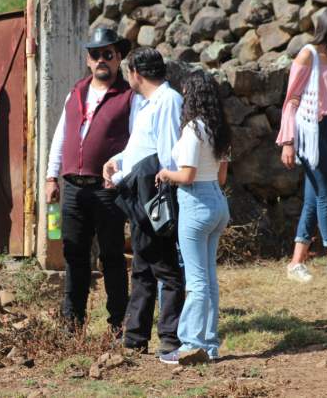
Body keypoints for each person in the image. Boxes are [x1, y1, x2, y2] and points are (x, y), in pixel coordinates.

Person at [46, 27, 137, 335]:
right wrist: (50, 176)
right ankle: (72, 323)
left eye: (108, 54)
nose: (102, 60)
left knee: (111, 256)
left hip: (106, 189)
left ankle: (118, 324)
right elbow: (61, 135)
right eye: (96, 54)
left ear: (119, 58)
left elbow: (137, 142)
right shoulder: (76, 91)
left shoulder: (128, 97)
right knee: (74, 255)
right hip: (72, 186)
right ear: (88, 60)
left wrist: (120, 175)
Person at [102, 47, 185, 355]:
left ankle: (170, 336)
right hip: (140, 191)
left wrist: (163, 193)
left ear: (136, 73)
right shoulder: (148, 103)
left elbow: (167, 152)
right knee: (142, 265)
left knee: (165, 267)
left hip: (154, 195)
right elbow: (141, 147)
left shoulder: (167, 100)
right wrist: (117, 161)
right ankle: (136, 337)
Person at [277, 6, 327, 282]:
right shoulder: (307, 54)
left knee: (313, 199)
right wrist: (288, 141)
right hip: (309, 131)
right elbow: (291, 98)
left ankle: (296, 262)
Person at [155, 70, 231, 365]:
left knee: (196, 280)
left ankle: (189, 344)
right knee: (209, 279)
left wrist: (165, 174)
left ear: (192, 96)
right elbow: (222, 177)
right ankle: (209, 345)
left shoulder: (192, 130)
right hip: (217, 202)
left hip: (196, 202)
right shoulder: (219, 129)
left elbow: (186, 175)